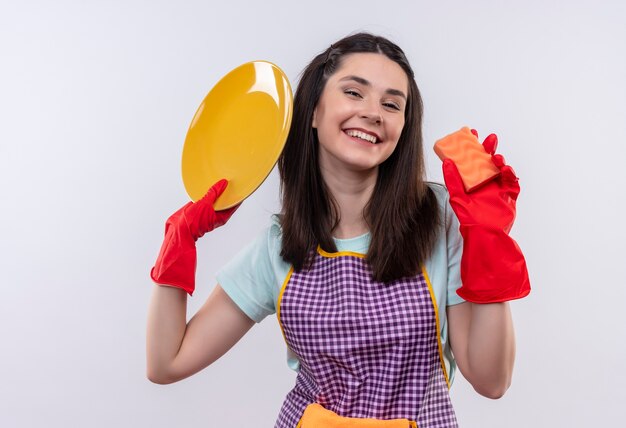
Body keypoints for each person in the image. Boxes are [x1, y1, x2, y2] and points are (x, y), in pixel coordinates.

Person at [146, 32, 530, 427]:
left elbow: (491, 380)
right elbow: (167, 363)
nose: (373, 112)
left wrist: (488, 239)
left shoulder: (440, 219)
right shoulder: (279, 245)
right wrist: (178, 244)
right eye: (354, 92)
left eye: (392, 104)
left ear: (403, 127)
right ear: (313, 110)